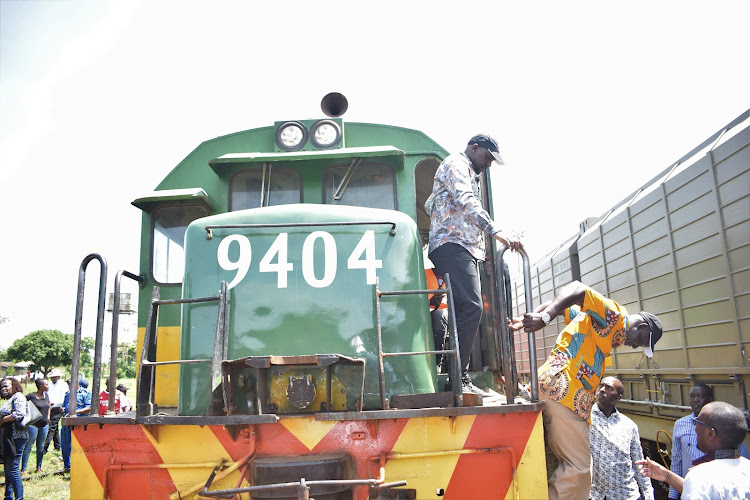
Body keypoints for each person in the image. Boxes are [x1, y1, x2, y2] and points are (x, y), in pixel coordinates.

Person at [511, 280, 663, 500]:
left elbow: (566, 306)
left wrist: (531, 316)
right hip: (564, 392)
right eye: (641, 342)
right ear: (642, 328)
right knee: (580, 469)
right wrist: (543, 318)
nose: (635, 346)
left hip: (552, 384)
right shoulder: (615, 316)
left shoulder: (598, 322)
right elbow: (578, 289)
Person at [425, 134, 522, 396]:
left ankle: (457, 376)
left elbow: (429, 204)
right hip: (453, 245)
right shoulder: (457, 164)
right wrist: (496, 231)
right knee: (471, 306)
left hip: (461, 246)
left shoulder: (467, 169)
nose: (489, 164)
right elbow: (466, 200)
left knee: (464, 309)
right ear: (474, 148)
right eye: (488, 158)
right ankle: (459, 378)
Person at [636, 401, 750, 499]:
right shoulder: (746, 467)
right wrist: (667, 476)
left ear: (710, 433)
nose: (694, 428)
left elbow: (701, 487)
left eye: (698, 422)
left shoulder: (700, 475)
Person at [668, 382, 749, 499]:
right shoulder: (680, 424)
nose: (695, 400)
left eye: (699, 397)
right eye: (692, 396)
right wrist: (673, 495)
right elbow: (677, 459)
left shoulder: (698, 476)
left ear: (711, 433)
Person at [589, 376, 654, 500]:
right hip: (596, 494)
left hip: (626, 494)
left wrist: (648, 495)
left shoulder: (629, 426)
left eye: (609, 388)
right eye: (601, 386)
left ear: (619, 397)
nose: (602, 390)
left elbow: (638, 463)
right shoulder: (585, 419)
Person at [0, 377, 28, 500]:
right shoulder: (10, 399)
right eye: (2, 387)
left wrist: (2, 420)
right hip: (8, 438)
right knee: (8, 468)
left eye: (6, 386)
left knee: (13, 469)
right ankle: (8, 496)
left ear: (14, 385)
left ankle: (19, 498)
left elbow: (19, 414)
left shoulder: (18, 397)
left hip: (17, 437)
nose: (3, 389)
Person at [21, 378, 51, 476]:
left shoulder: (46, 395)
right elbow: (22, 405)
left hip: (44, 425)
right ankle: (24, 469)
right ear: (41, 386)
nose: (48, 386)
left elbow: (49, 405)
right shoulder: (31, 396)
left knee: (41, 446)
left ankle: (39, 467)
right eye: (46, 384)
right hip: (33, 425)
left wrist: (48, 417)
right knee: (28, 446)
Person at [61, 379, 91, 471]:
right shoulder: (67, 394)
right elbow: (64, 405)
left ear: (77, 384)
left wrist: (74, 412)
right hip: (67, 422)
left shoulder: (85, 393)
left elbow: (88, 408)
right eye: (69, 385)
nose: (70, 387)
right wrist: (62, 409)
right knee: (65, 445)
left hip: (78, 423)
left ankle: (78, 465)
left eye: (71, 385)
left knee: (78, 446)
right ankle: (67, 466)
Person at [44, 368, 68, 453]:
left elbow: (65, 397)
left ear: (58, 376)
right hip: (49, 407)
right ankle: (57, 446)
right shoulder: (49, 384)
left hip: (58, 407)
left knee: (51, 426)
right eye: (52, 377)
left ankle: (44, 447)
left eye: (54, 377)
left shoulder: (63, 385)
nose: (52, 378)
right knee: (55, 427)